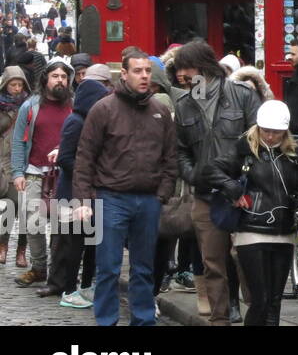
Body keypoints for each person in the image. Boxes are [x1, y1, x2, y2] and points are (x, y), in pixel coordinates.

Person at [72, 51, 178, 326]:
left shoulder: (160, 110)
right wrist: (83, 199)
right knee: (108, 267)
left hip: (148, 198)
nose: (144, 76)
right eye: (138, 71)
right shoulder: (103, 109)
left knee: (144, 268)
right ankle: (107, 321)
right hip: (111, 197)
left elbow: (170, 157)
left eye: (147, 71)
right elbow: (85, 156)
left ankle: (143, 320)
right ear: (124, 73)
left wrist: (163, 193)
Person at [174, 39, 261, 326]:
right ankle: (219, 320)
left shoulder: (242, 95)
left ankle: (258, 314)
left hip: (242, 191)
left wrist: (242, 180)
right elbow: (180, 150)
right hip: (206, 194)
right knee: (213, 264)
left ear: (202, 66)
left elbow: (257, 141)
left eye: (186, 69)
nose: (181, 76)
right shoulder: (186, 104)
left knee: (247, 260)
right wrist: (193, 174)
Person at [206, 100, 298, 326]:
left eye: (276, 132)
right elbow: (211, 170)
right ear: (258, 128)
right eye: (266, 131)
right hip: (251, 229)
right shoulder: (244, 149)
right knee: (261, 299)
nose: (271, 137)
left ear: (285, 132)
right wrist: (233, 189)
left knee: (275, 302)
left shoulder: (295, 155)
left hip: (284, 231)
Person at [45, 64, 113, 308]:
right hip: (73, 192)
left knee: (92, 242)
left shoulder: (91, 121)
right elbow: (65, 158)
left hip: (90, 191)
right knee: (76, 243)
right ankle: (70, 288)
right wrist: (89, 172)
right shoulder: (75, 121)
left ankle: (86, 286)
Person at [10, 60, 74, 287]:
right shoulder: (31, 106)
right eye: (55, 76)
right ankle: (38, 267)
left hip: (65, 174)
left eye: (64, 77)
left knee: (63, 224)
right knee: (33, 221)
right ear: (46, 79)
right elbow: (18, 141)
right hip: (35, 172)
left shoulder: (74, 106)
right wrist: (18, 172)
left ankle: (60, 271)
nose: (60, 80)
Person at [0, 66, 31, 266]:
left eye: (20, 84)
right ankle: (3, 246)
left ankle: (21, 250)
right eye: (13, 84)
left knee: (24, 208)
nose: (17, 88)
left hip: (22, 161)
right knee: (11, 206)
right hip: (3, 160)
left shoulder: (30, 105)